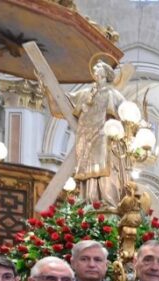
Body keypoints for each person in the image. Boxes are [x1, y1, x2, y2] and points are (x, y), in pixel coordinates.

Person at [68, 60, 129, 207]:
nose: (95, 70)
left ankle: (106, 200)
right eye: (94, 68)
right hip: (85, 137)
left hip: (104, 137)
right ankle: (87, 200)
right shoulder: (86, 94)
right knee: (86, 167)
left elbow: (127, 115)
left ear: (106, 73)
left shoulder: (113, 95)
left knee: (104, 168)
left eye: (99, 68)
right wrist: (49, 88)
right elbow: (66, 99)